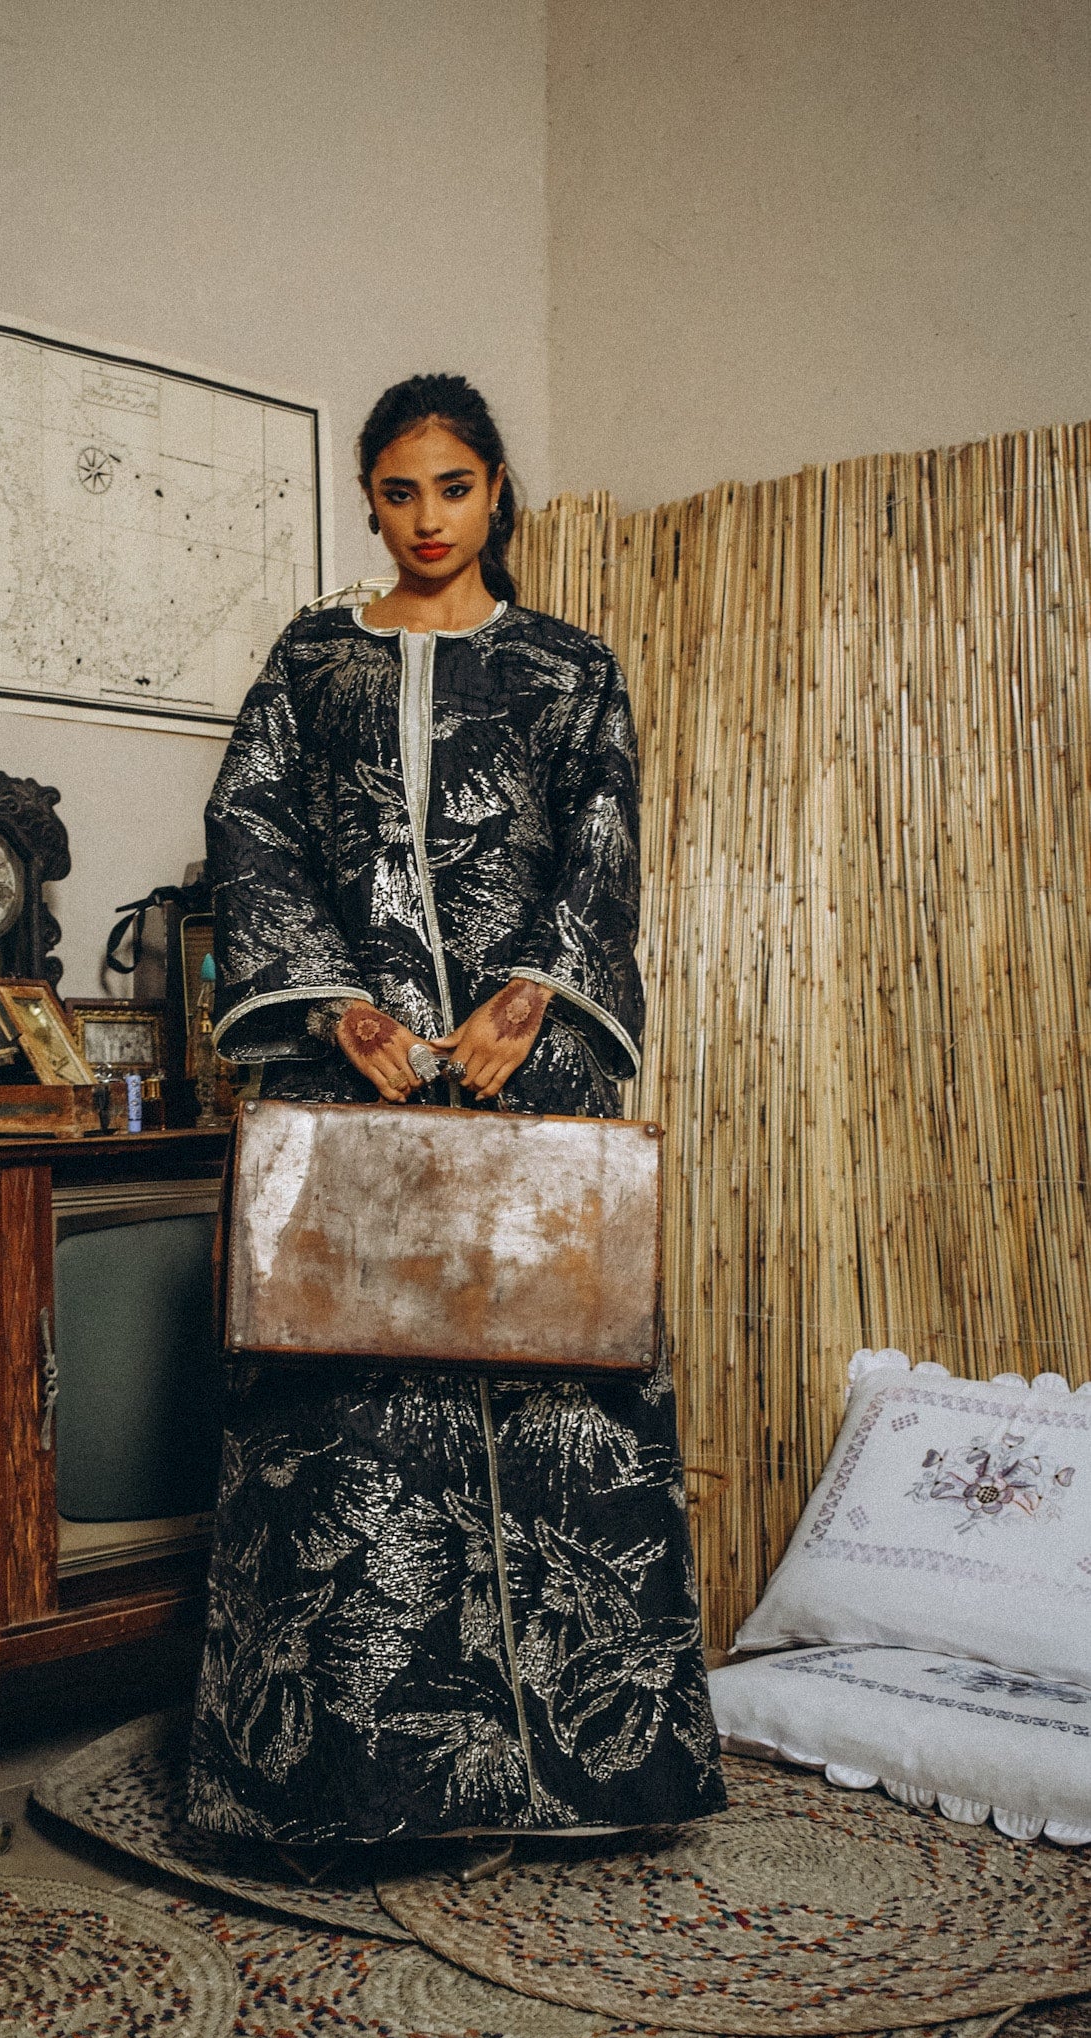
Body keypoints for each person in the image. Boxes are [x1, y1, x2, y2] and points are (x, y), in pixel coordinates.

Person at [186, 373, 724, 1847]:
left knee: (565, 1394)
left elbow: (602, 843)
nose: (428, 517)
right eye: (399, 490)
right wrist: (333, 1011)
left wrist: (531, 995)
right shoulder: (308, 663)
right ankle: (338, 1789)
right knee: (344, 1414)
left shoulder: (568, 668)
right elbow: (250, 835)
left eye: (455, 486)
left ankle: (590, 1779)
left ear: (495, 492)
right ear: (370, 499)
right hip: (349, 1078)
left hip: (522, 1068)